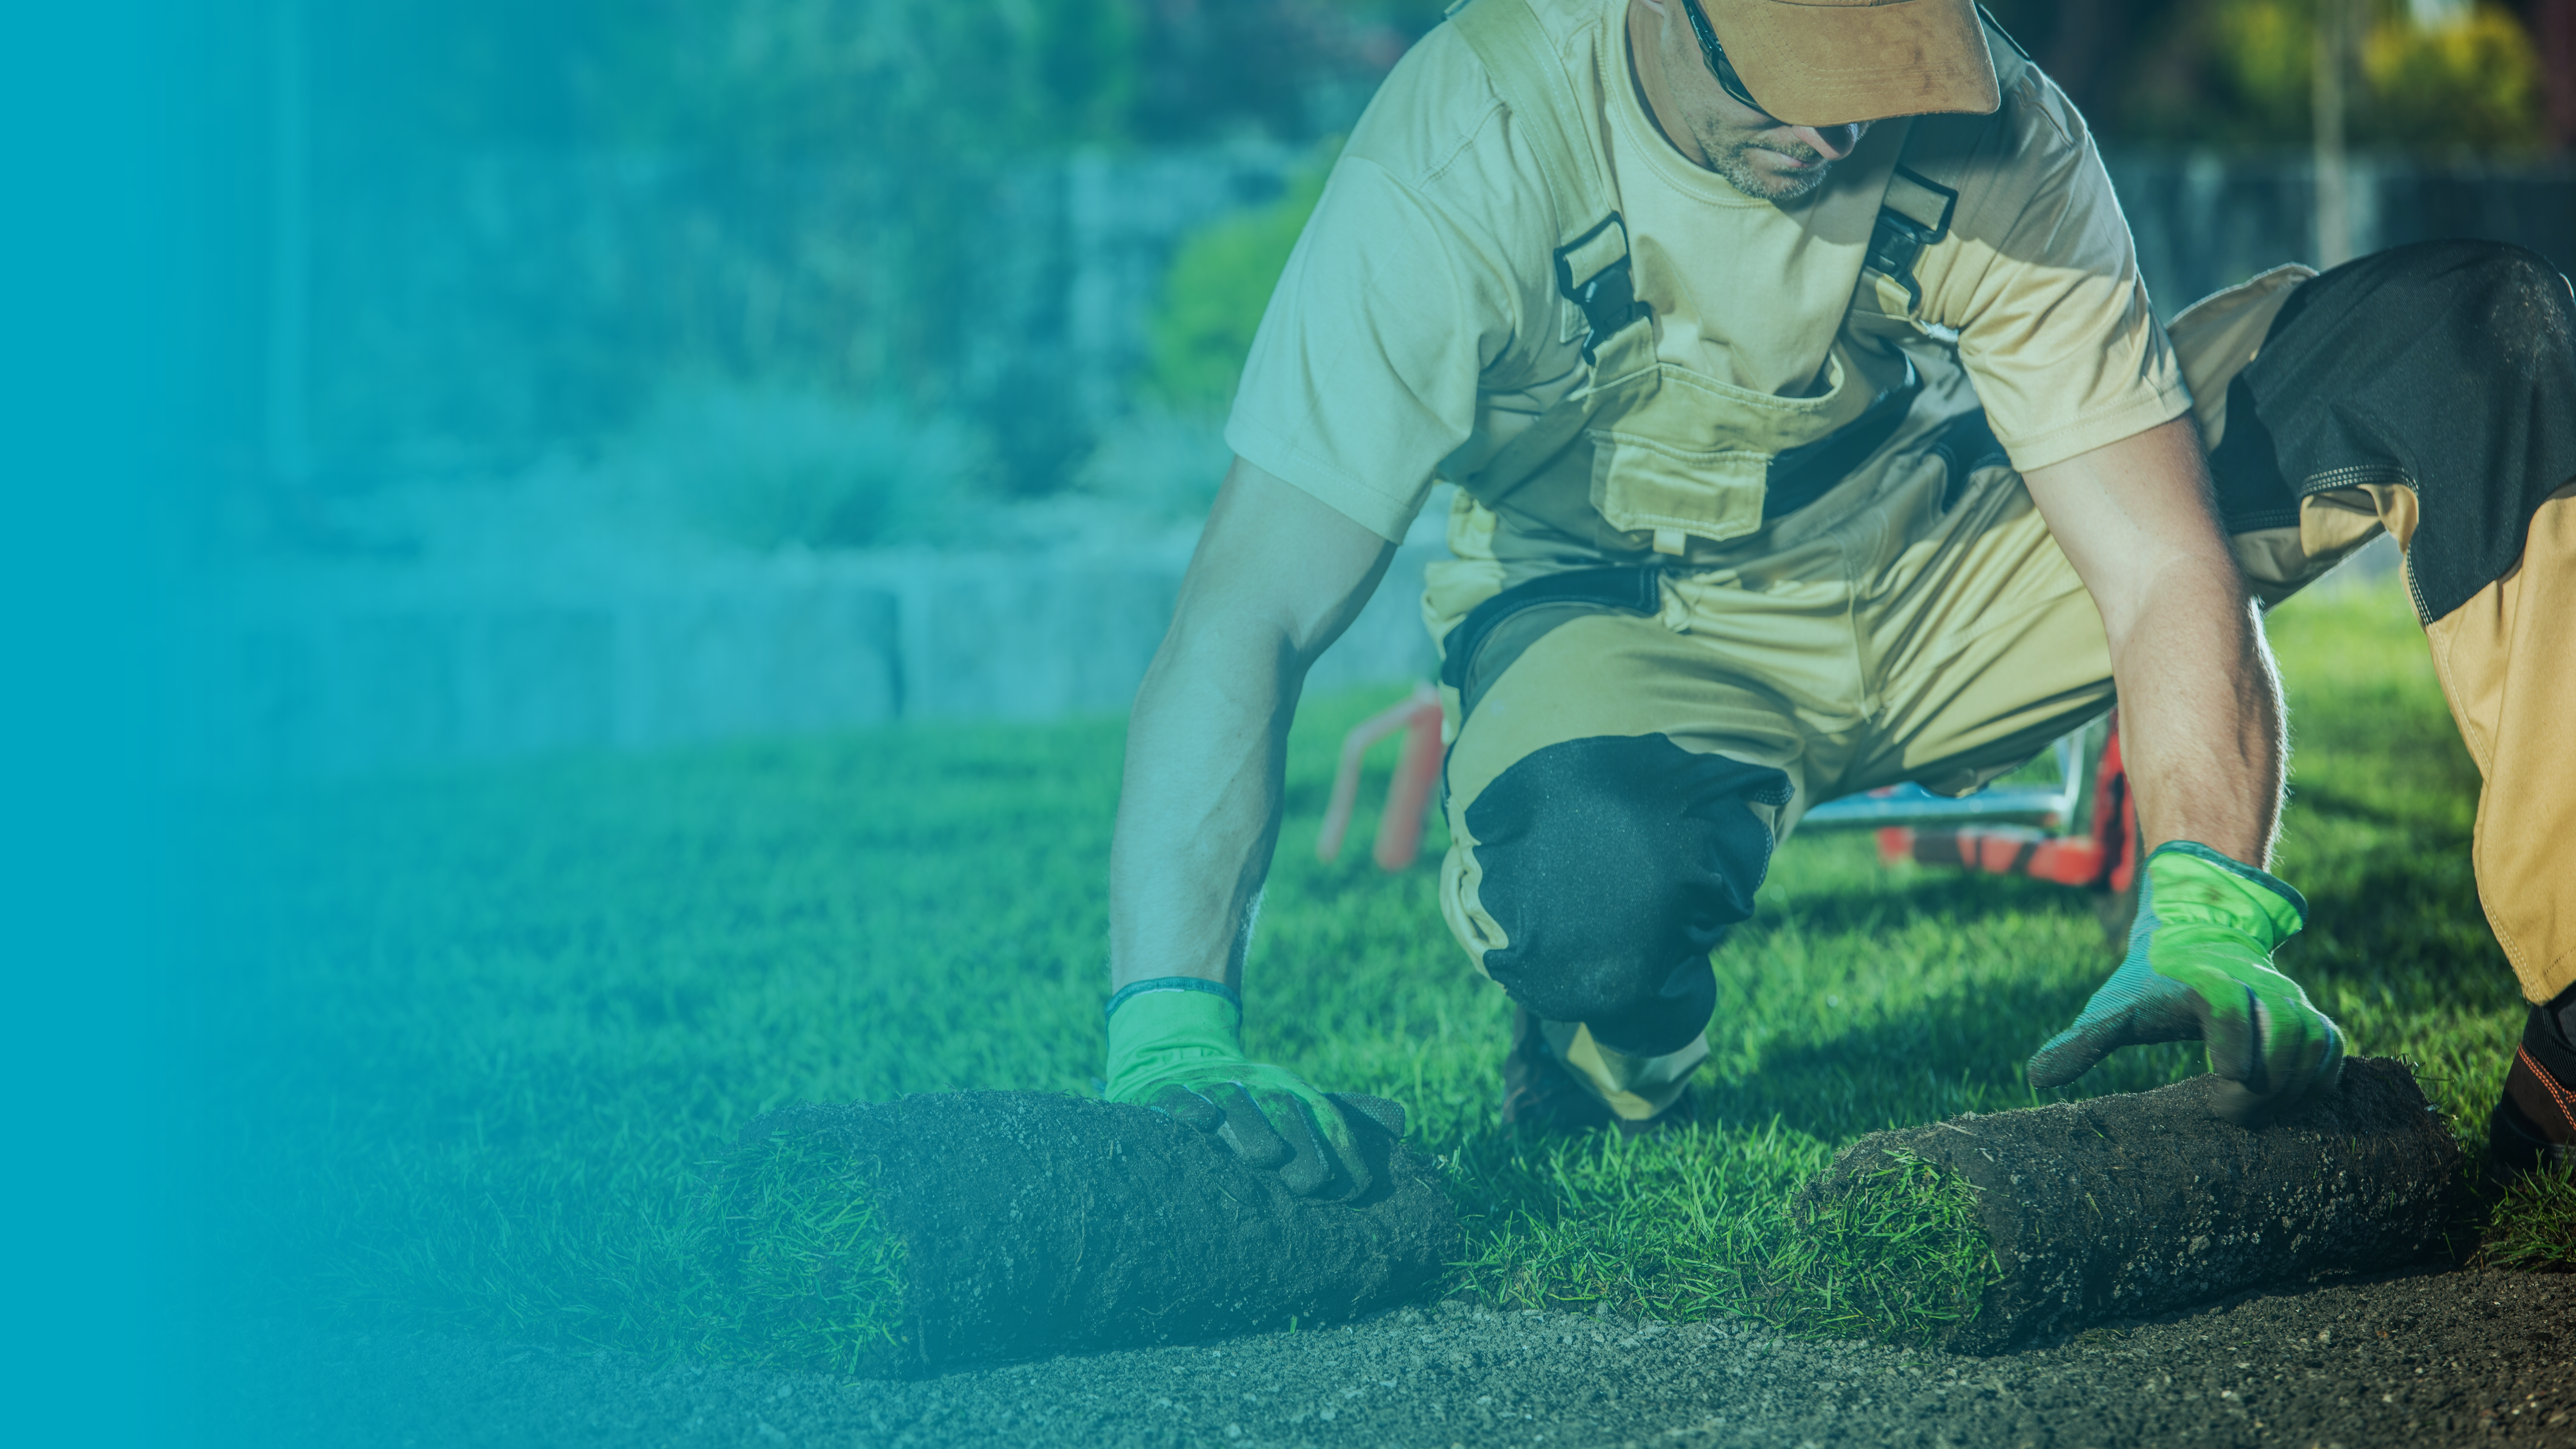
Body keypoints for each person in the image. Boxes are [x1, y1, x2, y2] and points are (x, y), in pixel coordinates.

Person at [1098, 0, 2576, 1197]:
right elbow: (1251, 611)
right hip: (1624, 614)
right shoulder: (1467, 142)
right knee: (1593, 898)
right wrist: (1171, 1022)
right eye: (1792, 76)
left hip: (1939, 542)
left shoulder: (2005, 130)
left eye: (1874, 71)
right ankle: (1613, 1036)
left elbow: (2156, 562)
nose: (1834, 127)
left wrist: (2201, 904)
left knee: (2472, 331)